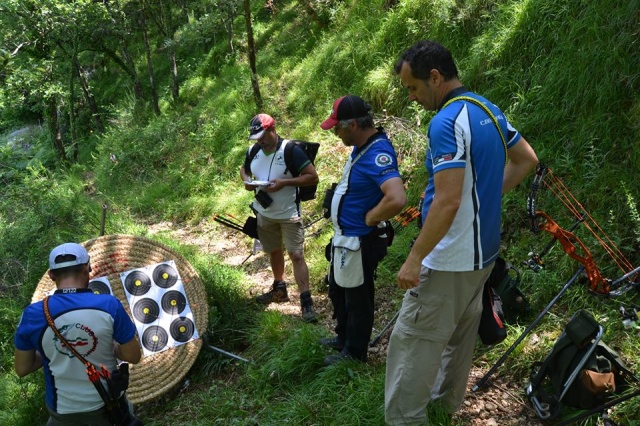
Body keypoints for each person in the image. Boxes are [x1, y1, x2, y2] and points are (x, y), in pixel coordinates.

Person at [384, 40, 539, 425]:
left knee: (412, 343)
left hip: (450, 259)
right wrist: (482, 195)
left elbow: (449, 201)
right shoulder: (487, 108)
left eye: (413, 88)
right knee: (458, 338)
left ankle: (407, 418)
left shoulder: (446, 121)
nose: (412, 97)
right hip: (483, 257)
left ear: (434, 78)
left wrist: (415, 257)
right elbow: (526, 160)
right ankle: (443, 408)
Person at [319, 95, 406, 365]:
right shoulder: (362, 147)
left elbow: (397, 198)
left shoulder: (378, 153)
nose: (335, 132)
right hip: (346, 238)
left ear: (353, 124)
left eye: (337, 127)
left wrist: (371, 218)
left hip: (360, 239)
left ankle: (355, 354)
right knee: (339, 289)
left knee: (358, 297)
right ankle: (343, 338)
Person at [14, 242, 143, 426]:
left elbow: (22, 368)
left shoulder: (33, 315)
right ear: (87, 268)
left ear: (51, 275)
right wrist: (112, 348)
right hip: (108, 406)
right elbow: (133, 355)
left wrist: (52, 352)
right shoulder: (109, 305)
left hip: (63, 412)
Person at [240, 113, 320, 323]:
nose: (260, 141)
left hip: (288, 213)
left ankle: (306, 301)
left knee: (296, 254)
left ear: (272, 130)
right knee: (273, 251)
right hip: (264, 212)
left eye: (262, 136)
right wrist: (248, 181)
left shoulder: (291, 150)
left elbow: (312, 176)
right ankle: (279, 289)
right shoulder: (254, 150)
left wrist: (284, 183)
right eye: (256, 137)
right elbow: (244, 169)